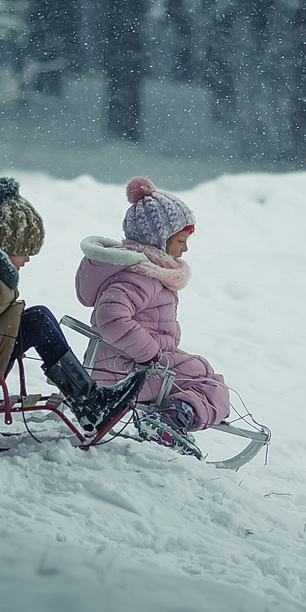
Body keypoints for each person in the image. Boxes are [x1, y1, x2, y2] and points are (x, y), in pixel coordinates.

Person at [0, 177, 146, 449]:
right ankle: (91, 404)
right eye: (23, 251)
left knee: (37, 319)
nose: (28, 259)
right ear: (1, 248)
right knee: (38, 321)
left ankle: (89, 402)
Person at [75, 177, 231, 458]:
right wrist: (151, 356)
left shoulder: (144, 273)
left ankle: (172, 415)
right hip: (125, 373)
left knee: (203, 372)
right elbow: (111, 317)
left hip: (123, 365)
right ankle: (169, 421)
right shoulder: (140, 276)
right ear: (158, 240)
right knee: (211, 386)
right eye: (180, 241)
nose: (185, 250)